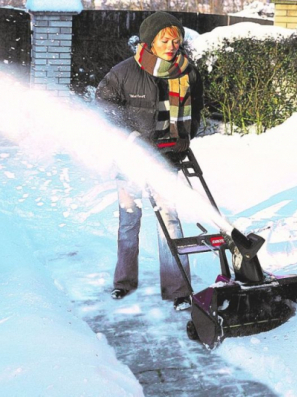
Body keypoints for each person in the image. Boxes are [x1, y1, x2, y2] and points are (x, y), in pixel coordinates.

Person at [95, 11, 204, 310]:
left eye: (176, 39)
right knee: (130, 222)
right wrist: (128, 136)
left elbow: (195, 112)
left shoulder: (186, 72)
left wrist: (184, 139)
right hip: (131, 158)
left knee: (170, 222)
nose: (172, 45)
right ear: (150, 41)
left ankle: (178, 290)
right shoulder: (124, 72)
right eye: (165, 39)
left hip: (167, 157)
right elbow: (104, 107)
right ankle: (124, 283)